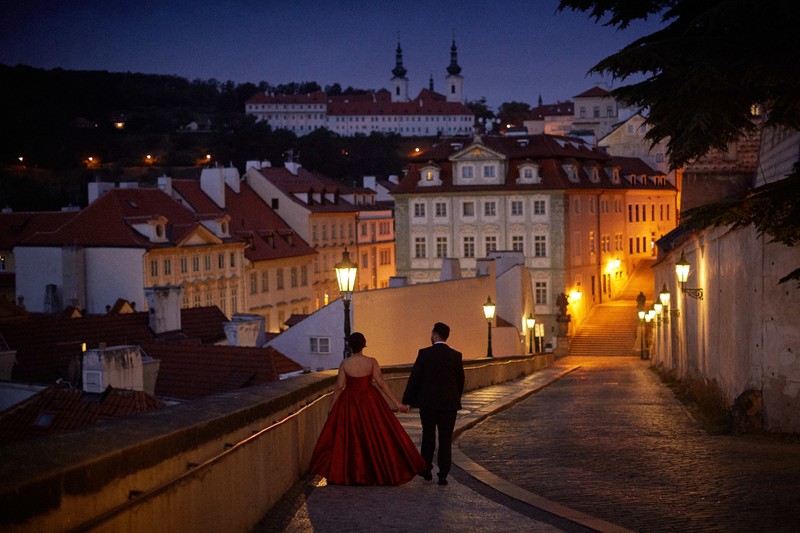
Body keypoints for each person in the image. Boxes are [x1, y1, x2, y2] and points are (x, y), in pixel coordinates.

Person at [309, 332, 426, 486]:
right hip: (370, 400)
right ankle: (376, 471)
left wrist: (332, 406)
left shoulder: (345, 363)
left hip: (349, 401)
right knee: (377, 435)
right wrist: (397, 403)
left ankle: (352, 473)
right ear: (364, 345)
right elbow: (381, 383)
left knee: (351, 438)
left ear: (350, 346)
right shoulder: (371, 362)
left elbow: (339, 387)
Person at [402, 322, 465, 486]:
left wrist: (407, 400)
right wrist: (455, 397)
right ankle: (443, 474)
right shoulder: (456, 356)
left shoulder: (424, 354)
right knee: (445, 439)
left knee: (428, 436)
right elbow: (460, 381)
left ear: (435, 335)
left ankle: (426, 468)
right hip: (449, 405)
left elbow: (414, 378)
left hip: (428, 404)